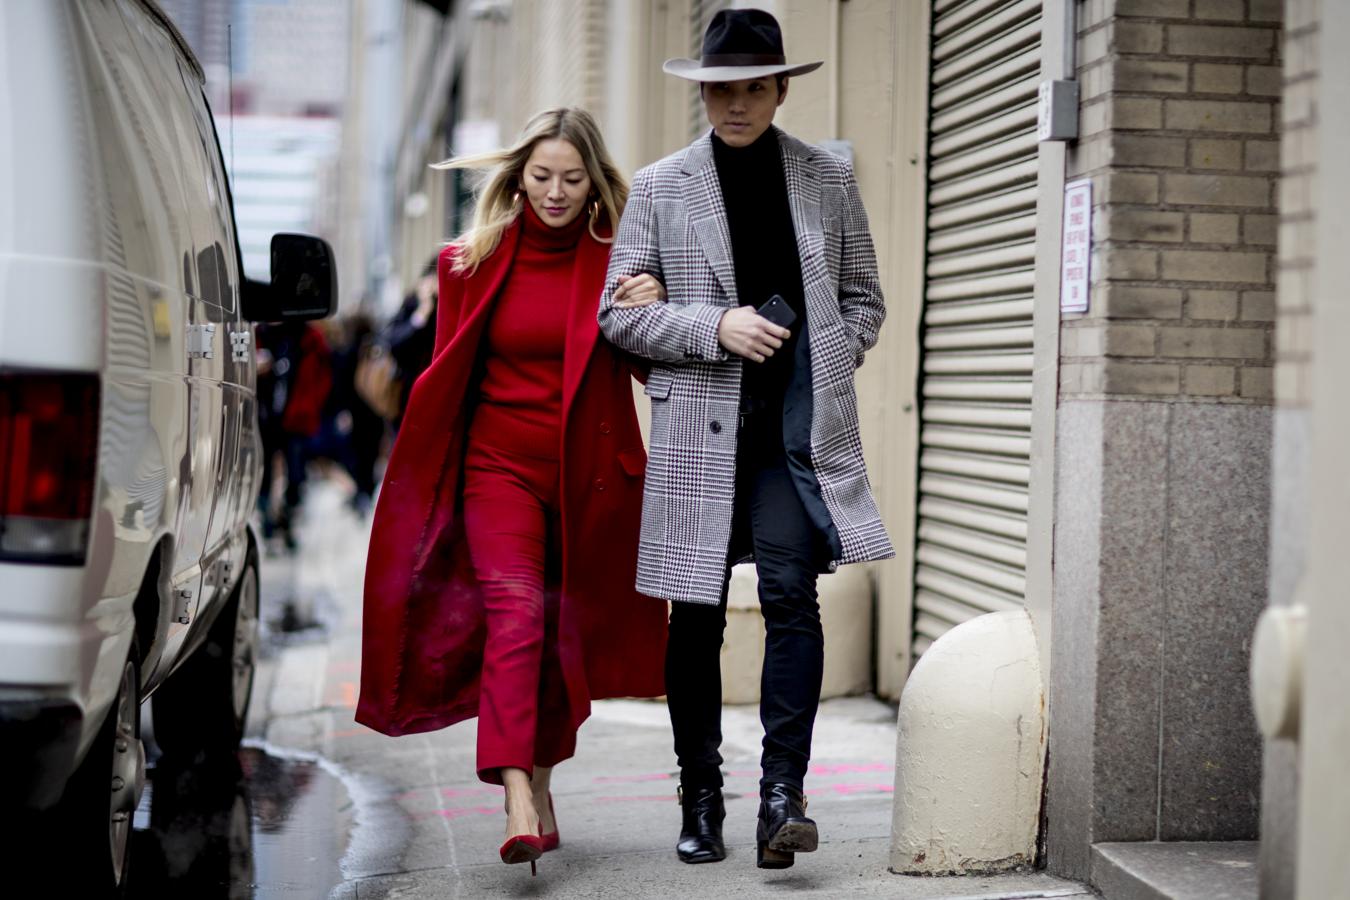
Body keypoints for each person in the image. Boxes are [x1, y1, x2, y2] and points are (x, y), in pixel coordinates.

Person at [598, 8, 893, 871]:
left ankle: (781, 797)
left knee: (791, 602)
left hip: (791, 437)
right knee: (692, 619)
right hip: (700, 436)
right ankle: (700, 794)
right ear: (704, 91)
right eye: (721, 89)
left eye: (753, 88)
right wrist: (712, 327)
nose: (736, 104)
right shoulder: (658, 186)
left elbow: (865, 296)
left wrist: (833, 354)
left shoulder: (825, 179)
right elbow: (618, 316)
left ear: (781, 89)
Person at [357, 108, 670, 876]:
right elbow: (447, 379)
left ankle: (543, 780)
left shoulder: (621, 264)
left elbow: (656, 377)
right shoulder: (468, 262)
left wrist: (653, 314)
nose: (556, 193)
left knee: (561, 640)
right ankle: (515, 795)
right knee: (518, 616)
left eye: (571, 178)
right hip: (497, 471)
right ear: (517, 178)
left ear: (593, 181)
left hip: (587, 476)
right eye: (540, 177)